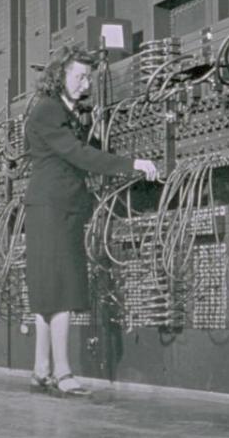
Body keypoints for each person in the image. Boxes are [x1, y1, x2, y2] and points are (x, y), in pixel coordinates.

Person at [24, 44, 158, 396]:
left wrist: (131, 159)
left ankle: (42, 368)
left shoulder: (67, 113)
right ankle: (64, 373)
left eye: (89, 77)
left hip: (58, 207)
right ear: (59, 76)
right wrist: (132, 165)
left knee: (48, 290)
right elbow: (79, 154)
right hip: (53, 207)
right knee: (62, 288)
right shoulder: (48, 111)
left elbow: (92, 147)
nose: (86, 83)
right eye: (79, 76)